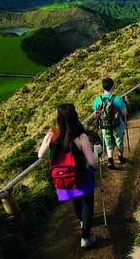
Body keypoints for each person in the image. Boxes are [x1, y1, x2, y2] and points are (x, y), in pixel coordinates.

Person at [38, 103, 99, 248]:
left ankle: (83, 223)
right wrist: (97, 151)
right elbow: (91, 161)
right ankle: (86, 237)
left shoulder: (51, 135)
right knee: (88, 203)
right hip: (81, 175)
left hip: (62, 177)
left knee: (75, 199)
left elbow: (41, 155)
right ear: (75, 116)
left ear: (58, 118)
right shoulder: (80, 136)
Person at [93, 77, 128, 170]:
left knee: (108, 143)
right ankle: (120, 158)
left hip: (104, 126)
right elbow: (124, 113)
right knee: (119, 141)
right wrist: (126, 103)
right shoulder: (117, 99)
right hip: (117, 125)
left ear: (102, 87)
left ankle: (110, 160)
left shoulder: (98, 100)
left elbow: (96, 112)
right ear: (112, 86)